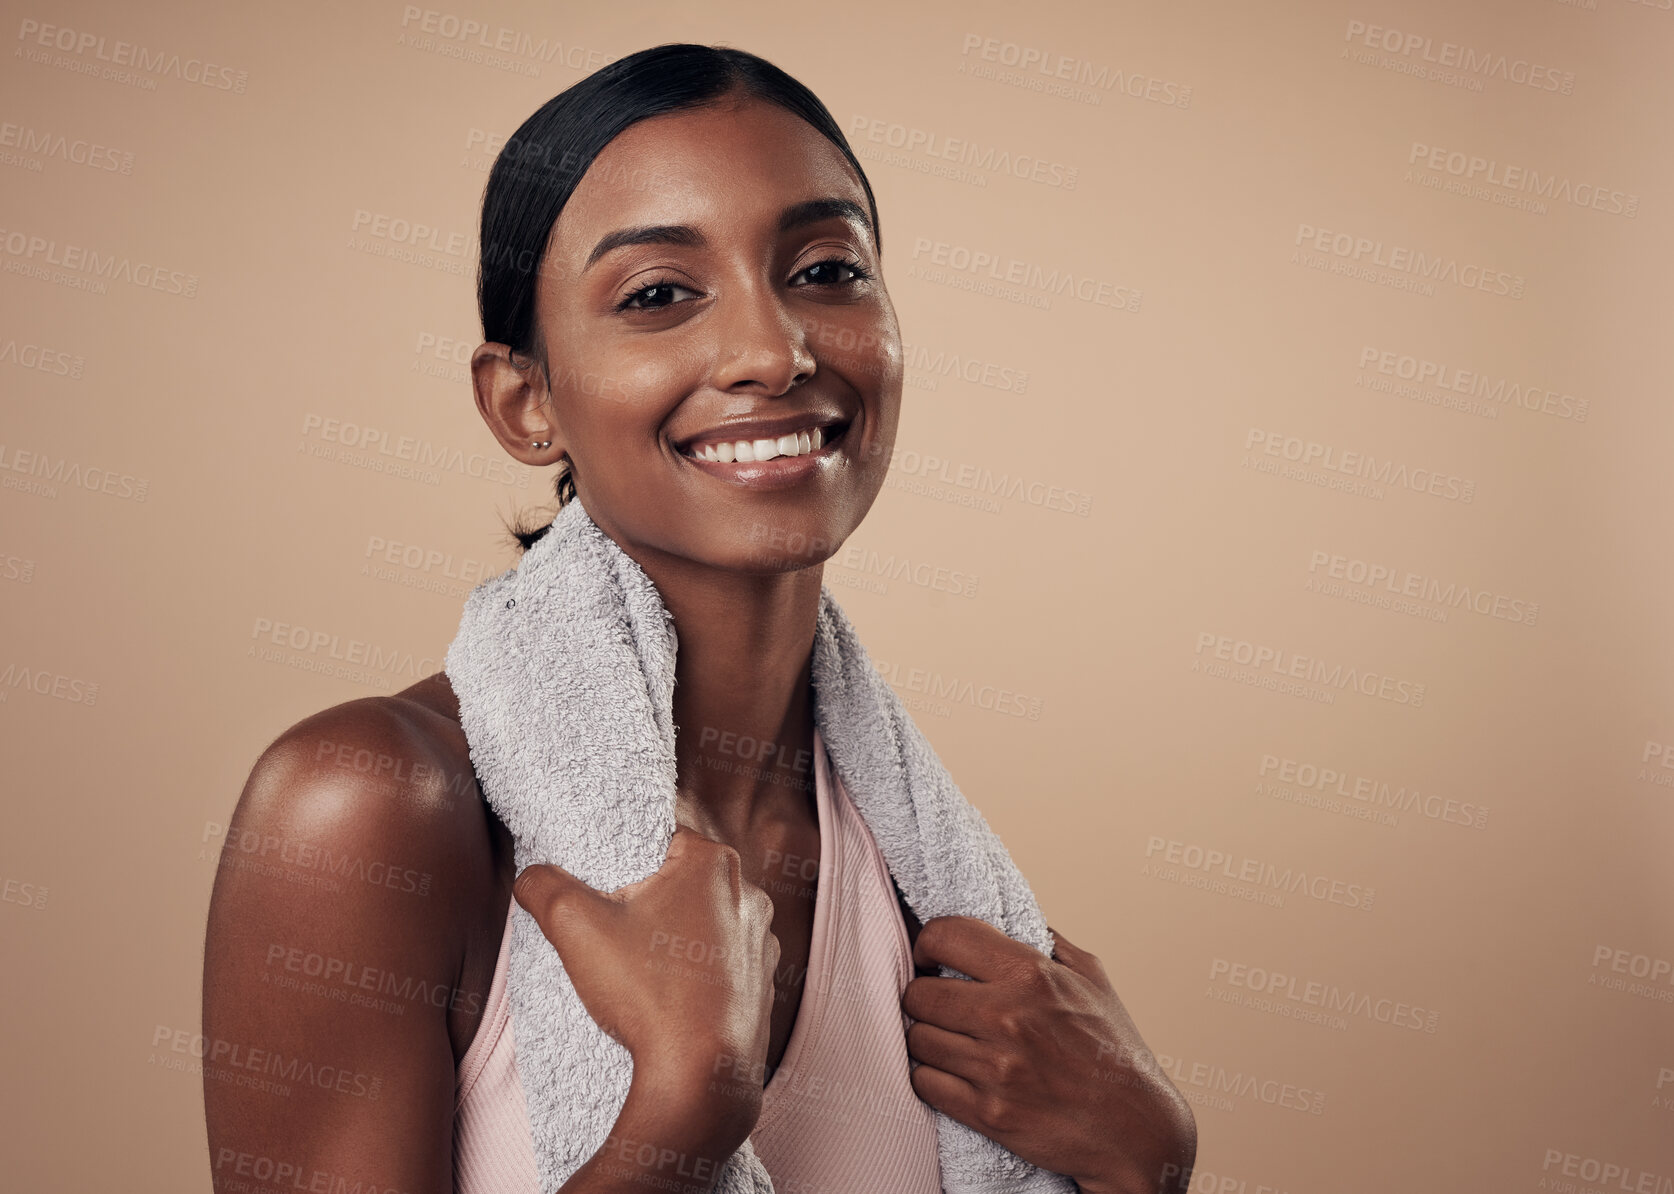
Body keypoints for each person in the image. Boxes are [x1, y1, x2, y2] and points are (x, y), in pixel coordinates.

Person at [201, 43, 1196, 1194]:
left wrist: (1148, 1170)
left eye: (827, 270)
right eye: (659, 296)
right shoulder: (365, 810)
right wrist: (680, 1109)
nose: (776, 353)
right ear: (526, 402)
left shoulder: (923, 870)